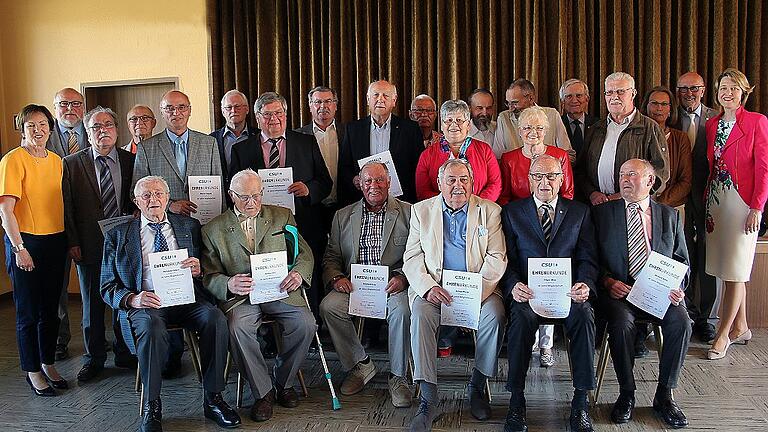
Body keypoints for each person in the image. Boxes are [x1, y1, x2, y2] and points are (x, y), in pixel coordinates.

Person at [101, 176, 240, 431]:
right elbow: (106, 286)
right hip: (148, 302)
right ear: (136, 201)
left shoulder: (189, 226)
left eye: (158, 194)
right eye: (146, 196)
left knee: (216, 319)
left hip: (185, 298)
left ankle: (213, 398)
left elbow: (208, 268)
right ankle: (152, 405)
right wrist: (133, 298)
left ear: (167, 198)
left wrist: (200, 269)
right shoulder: (118, 235)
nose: (153, 199)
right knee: (152, 328)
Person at [200, 169, 316, 422]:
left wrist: (298, 274)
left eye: (256, 196)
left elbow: (303, 253)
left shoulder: (282, 216)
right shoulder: (213, 229)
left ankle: (283, 382)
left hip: (279, 290)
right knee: (238, 326)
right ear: (231, 195)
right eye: (244, 197)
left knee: (306, 323)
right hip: (242, 297)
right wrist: (229, 283)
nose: (251, 202)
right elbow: (209, 275)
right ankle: (263, 393)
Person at [403, 158, 507, 430]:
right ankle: (428, 395)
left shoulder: (491, 211)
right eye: (451, 180)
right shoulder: (421, 211)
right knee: (421, 313)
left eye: (464, 180)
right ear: (439, 183)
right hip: (436, 289)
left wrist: (476, 292)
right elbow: (412, 257)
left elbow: (497, 257)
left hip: (478, 289)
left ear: (473, 183)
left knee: (494, 315)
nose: (458, 186)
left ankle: (477, 384)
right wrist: (428, 288)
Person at [501, 155, 598, 432]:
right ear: (529, 179)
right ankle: (517, 401)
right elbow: (505, 258)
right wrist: (512, 285)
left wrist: (585, 285)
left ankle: (580, 402)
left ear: (562, 179)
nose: (545, 182)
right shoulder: (512, 212)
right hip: (528, 294)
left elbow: (588, 258)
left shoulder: (579, 212)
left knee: (584, 315)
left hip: (568, 295)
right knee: (519, 319)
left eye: (552, 176)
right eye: (538, 176)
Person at [593, 159, 691, 428]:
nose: (625, 179)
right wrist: (607, 281)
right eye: (623, 174)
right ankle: (627, 393)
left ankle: (664, 394)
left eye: (633, 175)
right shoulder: (603, 214)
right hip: (620, 294)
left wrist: (678, 287)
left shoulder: (670, 216)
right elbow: (590, 259)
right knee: (622, 324)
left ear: (650, 181)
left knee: (681, 322)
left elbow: (682, 262)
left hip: (660, 293)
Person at [230, 91, 332, 323]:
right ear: (257, 117)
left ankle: (310, 326)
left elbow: (325, 182)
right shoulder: (242, 149)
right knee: (263, 280)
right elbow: (233, 191)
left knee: (305, 275)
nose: (273, 119)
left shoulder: (306, 142)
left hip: (303, 224)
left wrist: (308, 190)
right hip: (259, 231)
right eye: (267, 115)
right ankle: (266, 336)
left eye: (278, 113)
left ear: (286, 115)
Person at [320, 162, 412, 406]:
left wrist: (403, 277)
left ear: (389, 181)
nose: (374, 186)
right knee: (329, 306)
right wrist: (336, 277)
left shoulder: (410, 212)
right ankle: (360, 365)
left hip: (393, 285)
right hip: (355, 286)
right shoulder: (343, 216)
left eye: (380, 180)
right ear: (360, 184)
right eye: (368, 181)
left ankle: (399, 376)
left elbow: (418, 254)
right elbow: (331, 256)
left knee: (402, 310)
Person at [62, 106, 137, 382]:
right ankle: (94, 358)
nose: (102, 130)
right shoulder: (72, 163)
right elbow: (67, 207)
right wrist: (72, 242)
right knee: (92, 304)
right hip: (89, 244)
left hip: (125, 246)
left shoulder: (131, 161)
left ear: (117, 131)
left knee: (123, 299)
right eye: (95, 126)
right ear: (87, 132)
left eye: (108, 125)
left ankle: (125, 352)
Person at [0, 104, 68, 396]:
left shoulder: (57, 160)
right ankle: (32, 370)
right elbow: (6, 210)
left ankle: (48, 362)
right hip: (25, 242)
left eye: (42, 125)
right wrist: (19, 248)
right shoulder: (13, 160)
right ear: (23, 129)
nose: (37, 130)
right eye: (31, 125)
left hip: (55, 240)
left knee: (50, 310)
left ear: (50, 129)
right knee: (27, 312)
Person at [704, 68, 768, 360]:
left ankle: (723, 335)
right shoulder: (712, 124)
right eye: (722, 89)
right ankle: (741, 326)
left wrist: (757, 206)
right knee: (725, 270)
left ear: (743, 91)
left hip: (743, 203)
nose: (727, 94)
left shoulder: (757, 121)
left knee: (736, 270)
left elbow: (763, 168)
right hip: (717, 201)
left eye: (732, 88)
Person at [672, 72, 720, 343]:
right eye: (683, 89)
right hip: (677, 198)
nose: (689, 93)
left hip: (709, 196)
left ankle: (708, 319)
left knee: (708, 258)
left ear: (703, 90)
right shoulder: (668, 116)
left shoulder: (717, 117)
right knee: (682, 256)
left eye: (694, 88)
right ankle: (685, 313)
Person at [575, 72, 669, 206]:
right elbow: (581, 169)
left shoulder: (649, 128)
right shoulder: (596, 128)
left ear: (633, 93)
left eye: (620, 91)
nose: (614, 97)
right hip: (597, 205)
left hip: (632, 206)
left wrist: (624, 195)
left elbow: (660, 173)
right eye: (609, 92)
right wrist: (591, 193)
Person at [133, 90, 226, 218]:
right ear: (161, 112)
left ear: (189, 110)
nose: (176, 113)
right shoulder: (146, 148)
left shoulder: (209, 143)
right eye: (169, 108)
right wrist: (169, 205)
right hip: (166, 221)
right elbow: (137, 190)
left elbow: (218, 186)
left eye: (181, 107)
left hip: (205, 221)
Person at [48, 88, 88, 361]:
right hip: (52, 222)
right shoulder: (42, 136)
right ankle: (59, 339)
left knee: (91, 285)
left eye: (76, 104)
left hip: (87, 224)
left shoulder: (95, 131)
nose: (70, 109)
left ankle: (93, 339)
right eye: (64, 104)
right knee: (56, 287)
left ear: (84, 107)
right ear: (55, 107)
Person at [338, 79, 423, 204]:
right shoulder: (353, 129)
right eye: (376, 95)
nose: (380, 99)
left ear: (394, 101)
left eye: (386, 95)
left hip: (400, 201)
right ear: (368, 99)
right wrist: (354, 178)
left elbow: (418, 167)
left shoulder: (410, 129)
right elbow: (344, 165)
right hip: (362, 200)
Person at [415, 99, 501, 201]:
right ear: (442, 125)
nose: (454, 125)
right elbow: (423, 191)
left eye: (459, 120)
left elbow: (495, 184)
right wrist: (448, 206)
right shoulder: (427, 155)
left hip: (479, 210)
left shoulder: (484, 150)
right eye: (449, 120)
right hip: (440, 213)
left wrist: (476, 205)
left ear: (468, 125)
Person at [498, 106, 575, 206]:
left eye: (539, 128)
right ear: (520, 131)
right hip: (519, 215)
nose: (533, 132)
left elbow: (567, 194)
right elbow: (504, 197)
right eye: (527, 128)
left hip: (554, 215)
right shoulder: (508, 159)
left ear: (545, 131)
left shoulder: (561, 156)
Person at [295, 86, 346, 230]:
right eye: (317, 102)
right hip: (311, 208)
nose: (323, 106)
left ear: (335, 105)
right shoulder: (298, 137)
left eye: (328, 101)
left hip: (344, 206)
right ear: (310, 106)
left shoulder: (349, 132)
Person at [493, 78, 574, 160]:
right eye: (508, 103)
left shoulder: (552, 115)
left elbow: (567, 154)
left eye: (515, 103)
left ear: (531, 98)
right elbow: (498, 157)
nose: (511, 109)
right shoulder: (503, 118)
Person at [641, 86, 692, 209]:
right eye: (654, 103)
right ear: (646, 107)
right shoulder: (635, 135)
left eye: (664, 104)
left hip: (672, 206)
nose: (659, 108)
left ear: (670, 109)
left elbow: (685, 181)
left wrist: (660, 203)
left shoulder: (681, 138)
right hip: (640, 205)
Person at [210, 90, 257, 185]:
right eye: (228, 107)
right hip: (222, 196)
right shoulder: (211, 140)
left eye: (237, 106)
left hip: (252, 195)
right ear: (223, 111)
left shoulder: (259, 136)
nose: (233, 111)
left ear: (247, 109)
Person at [559, 78, 599, 156]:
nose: (574, 100)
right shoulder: (557, 124)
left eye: (579, 96)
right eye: (569, 96)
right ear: (562, 102)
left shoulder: (598, 124)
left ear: (587, 99)